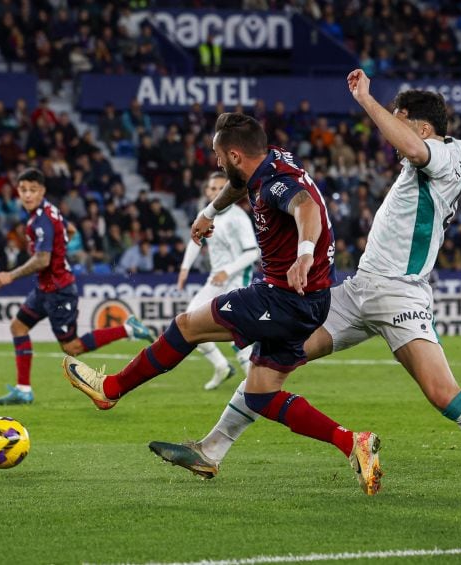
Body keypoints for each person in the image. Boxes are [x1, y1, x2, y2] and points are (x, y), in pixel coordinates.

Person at [149, 70, 461, 487]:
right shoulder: (460, 151)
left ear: (423, 128)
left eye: (400, 121)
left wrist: (365, 101)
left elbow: (415, 150)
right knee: (272, 359)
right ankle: (212, 449)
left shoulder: (436, 155)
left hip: (399, 296)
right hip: (359, 291)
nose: (392, 132)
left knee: (441, 392)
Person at [61, 113, 384, 496]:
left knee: (186, 326)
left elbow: (306, 209)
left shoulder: (277, 182)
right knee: (260, 394)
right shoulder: (269, 162)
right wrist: (208, 213)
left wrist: (303, 254)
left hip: (281, 298)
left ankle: (111, 389)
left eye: (218, 156)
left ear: (234, 154)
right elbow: (238, 185)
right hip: (305, 301)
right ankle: (353, 443)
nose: (216, 163)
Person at [0, 168, 155, 405]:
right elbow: (71, 230)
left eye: (32, 190)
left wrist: (10, 276)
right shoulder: (50, 211)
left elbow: (43, 259)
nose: (27, 195)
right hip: (45, 288)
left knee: (72, 348)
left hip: (59, 292)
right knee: (18, 327)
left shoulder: (42, 220)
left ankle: (128, 329)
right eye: (23, 190)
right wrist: (60, 249)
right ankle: (23, 390)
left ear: (42, 191)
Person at [177, 171, 260, 389]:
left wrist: (228, 270)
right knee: (189, 322)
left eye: (220, 188)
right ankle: (222, 367)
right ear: (206, 191)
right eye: (212, 188)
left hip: (236, 280)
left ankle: (256, 384)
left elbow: (253, 253)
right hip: (216, 279)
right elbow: (196, 240)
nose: (215, 192)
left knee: (236, 333)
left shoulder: (238, 218)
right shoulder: (205, 214)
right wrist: (185, 268)